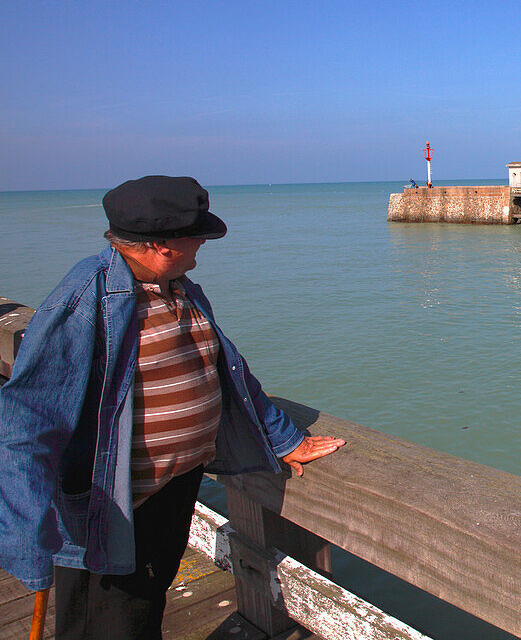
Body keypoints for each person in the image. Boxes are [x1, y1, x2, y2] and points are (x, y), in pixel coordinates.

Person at [0, 175, 345, 639]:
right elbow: (27, 421)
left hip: (172, 488)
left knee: (145, 607)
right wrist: (25, 535)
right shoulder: (87, 302)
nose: (203, 241)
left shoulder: (178, 286)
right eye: (196, 234)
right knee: (109, 624)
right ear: (162, 245)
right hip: (115, 510)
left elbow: (227, 372)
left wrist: (283, 438)